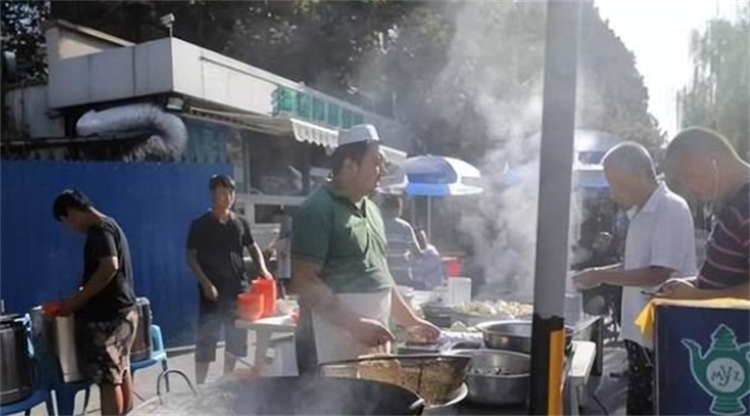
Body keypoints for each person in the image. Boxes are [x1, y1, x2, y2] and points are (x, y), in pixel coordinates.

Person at [291, 125, 440, 373]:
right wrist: (355, 325)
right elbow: (304, 282)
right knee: (326, 398)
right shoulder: (317, 209)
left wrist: (411, 322)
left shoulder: (371, 209)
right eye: (375, 162)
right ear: (350, 165)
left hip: (367, 342)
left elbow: (381, 276)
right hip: (328, 343)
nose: (382, 171)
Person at [572, 142, 697, 416]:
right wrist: (595, 274)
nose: (613, 193)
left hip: (663, 331)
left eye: (617, 184)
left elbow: (659, 272)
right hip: (639, 330)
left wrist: (601, 275)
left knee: (656, 404)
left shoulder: (669, 208)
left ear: (640, 174)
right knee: (639, 402)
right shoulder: (640, 212)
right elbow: (635, 265)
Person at [46, 189, 138, 416]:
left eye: (66, 222)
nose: (70, 228)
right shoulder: (111, 225)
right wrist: (84, 288)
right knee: (121, 371)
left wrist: (76, 300)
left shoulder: (99, 231)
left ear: (71, 213)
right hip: (124, 313)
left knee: (109, 380)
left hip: (110, 319)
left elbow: (109, 266)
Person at [186, 174, 272, 384]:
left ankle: (227, 382)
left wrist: (262, 269)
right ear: (212, 195)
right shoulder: (200, 224)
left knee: (235, 340)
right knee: (206, 341)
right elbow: (190, 257)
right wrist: (206, 283)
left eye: (231, 192)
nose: (228, 197)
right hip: (212, 293)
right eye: (223, 193)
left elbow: (253, 248)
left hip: (238, 291)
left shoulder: (240, 222)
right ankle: (200, 388)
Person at [658, 127, 750, 300]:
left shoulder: (746, 206)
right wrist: (693, 284)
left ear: (715, 161)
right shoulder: (734, 204)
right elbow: (731, 278)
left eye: (689, 176)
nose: (690, 188)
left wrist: (698, 296)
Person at [381, 195, 424, 288]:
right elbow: (416, 251)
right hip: (403, 275)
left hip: (383, 275)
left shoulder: (377, 225)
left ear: (384, 208)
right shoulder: (405, 227)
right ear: (397, 209)